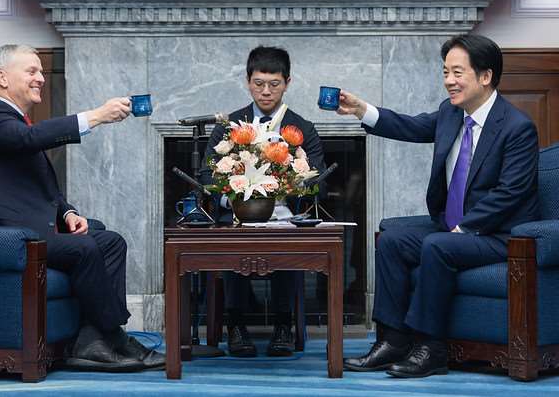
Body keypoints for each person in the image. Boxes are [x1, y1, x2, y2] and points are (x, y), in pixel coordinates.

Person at [0, 44, 165, 373]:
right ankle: (113, 336)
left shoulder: (15, 120)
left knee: (110, 241)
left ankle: (94, 340)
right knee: (83, 248)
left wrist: (67, 213)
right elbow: (30, 139)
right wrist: (96, 116)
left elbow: (41, 182)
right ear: (1, 77)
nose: (40, 78)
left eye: (41, 71)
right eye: (31, 71)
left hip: (25, 225)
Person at [340, 34, 539, 378]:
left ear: (485, 76)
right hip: (454, 231)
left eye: (457, 73)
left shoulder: (517, 128)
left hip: (497, 234)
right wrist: (363, 110)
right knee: (392, 238)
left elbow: (511, 193)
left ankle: (431, 347)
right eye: (445, 72)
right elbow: (412, 126)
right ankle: (393, 340)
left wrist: (465, 227)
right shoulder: (451, 113)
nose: (448, 81)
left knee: (438, 244)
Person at [201, 46, 327, 358]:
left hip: (284, 214)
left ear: (287, 82)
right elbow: (205, 174)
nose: (266, 92)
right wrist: (227, 193)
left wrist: (300, 175)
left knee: (286, 239)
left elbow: (318, 182)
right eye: (259, 84)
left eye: (274, 84)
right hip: (237, 213)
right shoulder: (229, 124)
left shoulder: (301, 128)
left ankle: (284, 325)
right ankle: (236, 325)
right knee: (234, 240)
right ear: (247, 81)